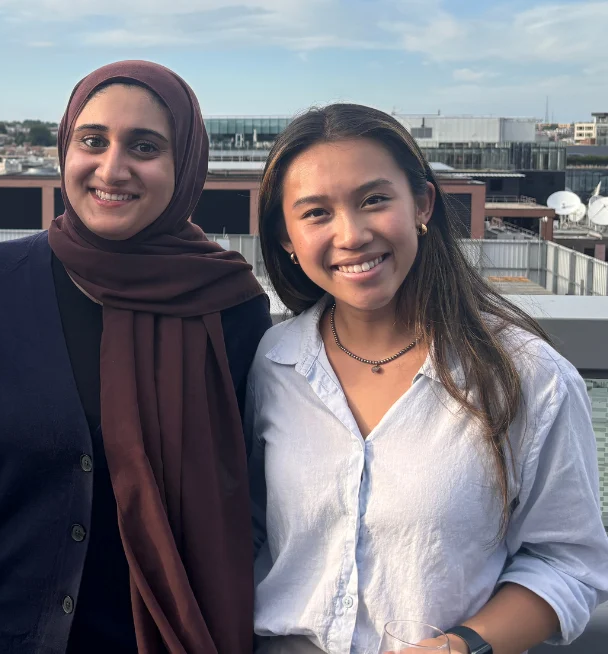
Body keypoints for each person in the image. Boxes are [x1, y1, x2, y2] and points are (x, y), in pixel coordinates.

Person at [0, 61, 271, 653]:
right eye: (92, 141)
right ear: (66, 148)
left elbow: (263, 499)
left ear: (184, 162)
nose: (112, 168)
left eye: (144, 146)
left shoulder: (230, 308)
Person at [247, 103, 608, 654]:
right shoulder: (273, 362)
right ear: (287, 240)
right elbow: (250, 530)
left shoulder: (530, 376)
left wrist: (463, 646)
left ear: (422, 204)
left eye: (374, 200)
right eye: (316, 213)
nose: (351, 234)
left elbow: (570, 562)